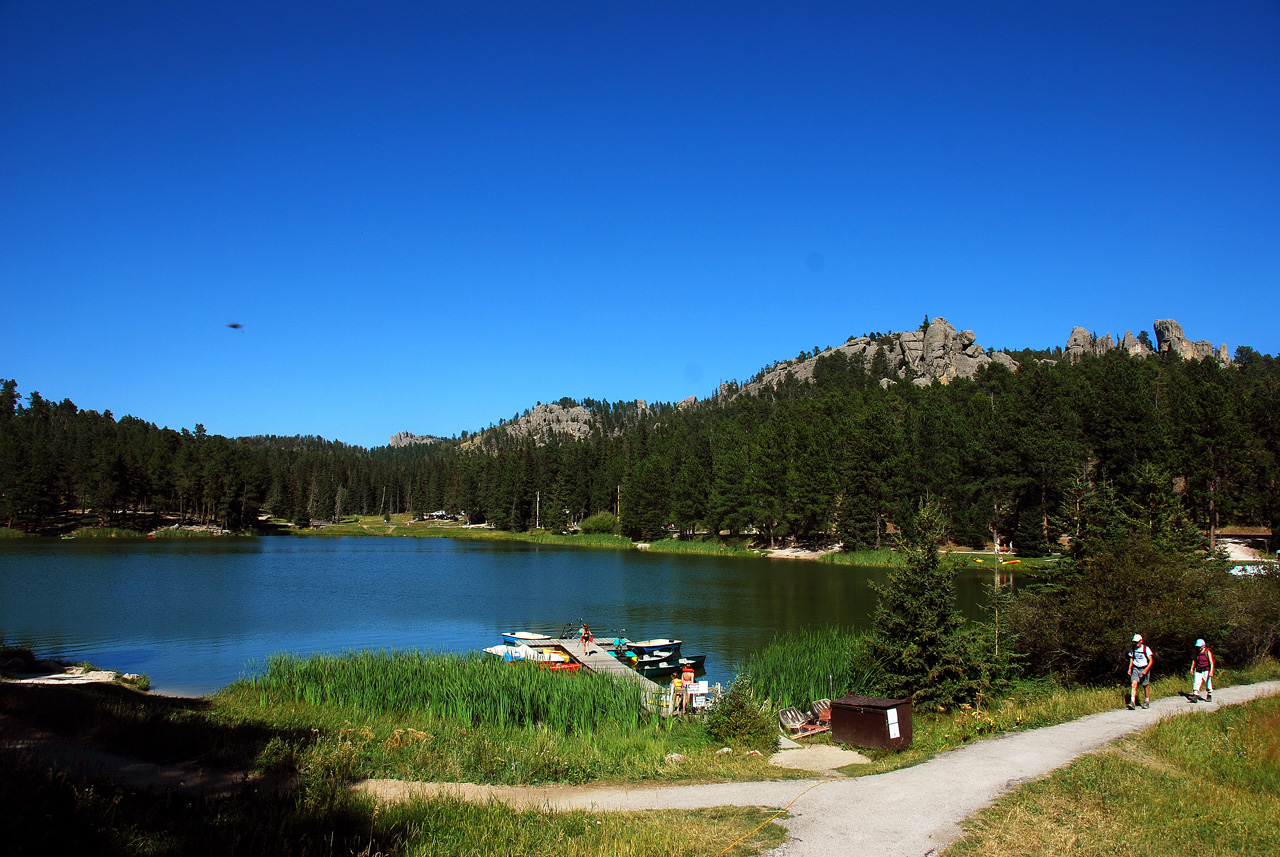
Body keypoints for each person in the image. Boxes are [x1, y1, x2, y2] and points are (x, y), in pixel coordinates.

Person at [1127, 633, 1154, 710]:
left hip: (1144, 667)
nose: (1136, 644)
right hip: (1136, 668)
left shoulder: (1146, 649)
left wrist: (1146, 669)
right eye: (1135, 642)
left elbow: (1151, 661)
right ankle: (1132, 702)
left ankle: (1146, 701)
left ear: (1141, 641)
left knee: (1145, 685)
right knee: (1134, 684)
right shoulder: (1133, 649)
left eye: (1137, 642)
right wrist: (1130, 668)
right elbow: (1131, 659)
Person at [1190, 638, 1215, 702]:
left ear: (1204, 646)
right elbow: (1194, 660)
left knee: (1207, 683)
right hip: (1198, 669)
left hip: (1206, 670)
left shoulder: (1207, 652)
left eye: (1200, 646)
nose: (1198, 648)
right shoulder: (1196, 652)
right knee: (1196, 682)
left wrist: (1211, 671)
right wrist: (1192, 669)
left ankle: (1209, 695)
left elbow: (1211, 662)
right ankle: (1195, 695)